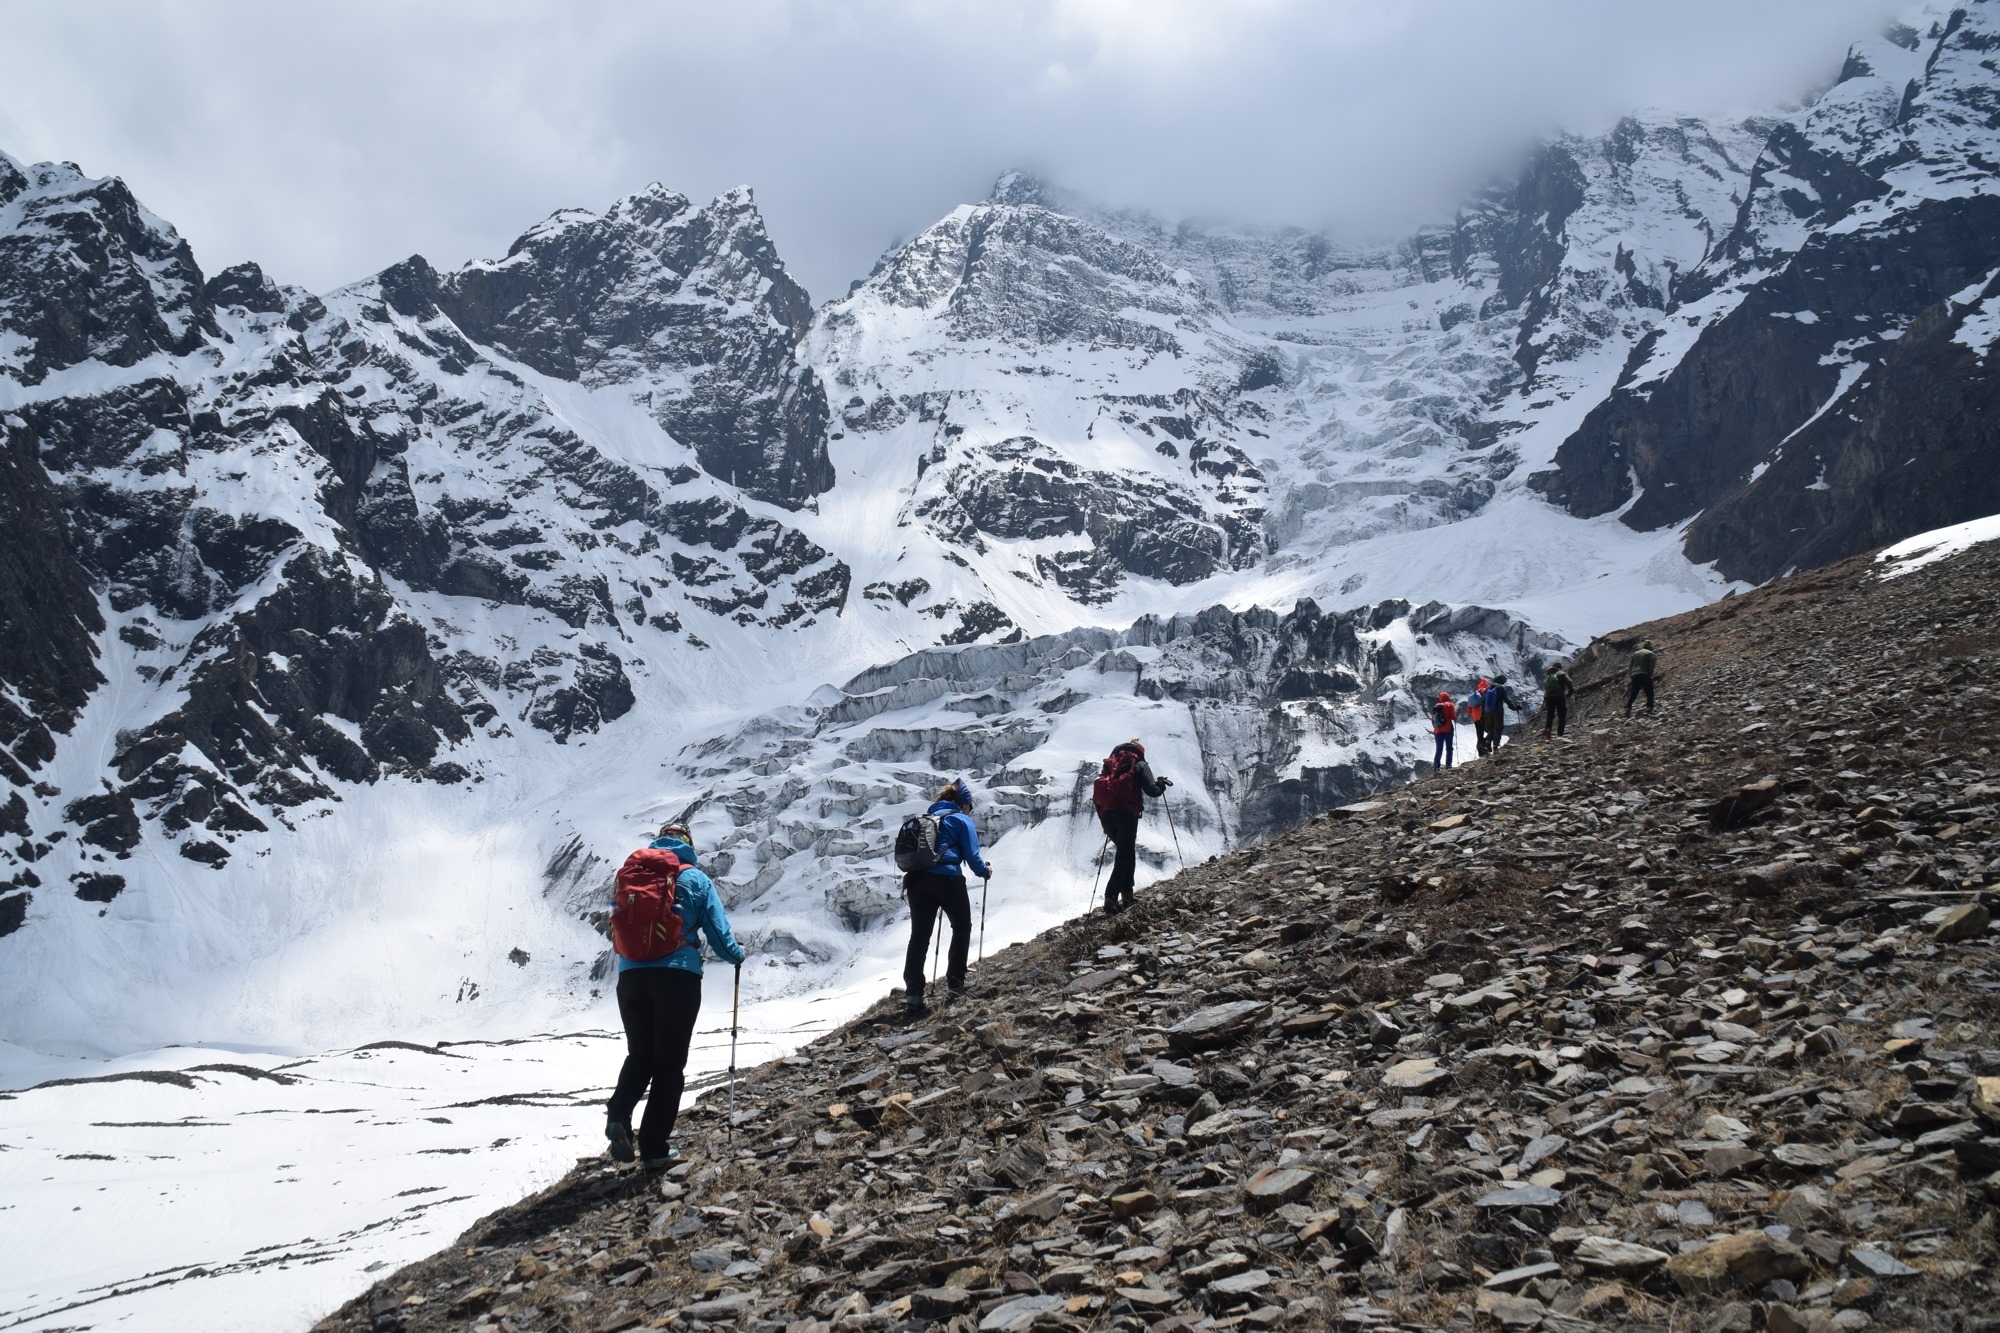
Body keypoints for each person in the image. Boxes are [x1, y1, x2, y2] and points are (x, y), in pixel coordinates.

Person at [606, 822, 745, 1170]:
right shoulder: (695, 879)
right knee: (669, 1064)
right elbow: (717, 931)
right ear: (688, 845)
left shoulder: (633, 874)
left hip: (631, 976)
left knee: (639, 1055)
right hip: (677, 977)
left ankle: (619, 1117)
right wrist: (736, 955)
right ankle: (654, 1148)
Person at [902, 778, 989, 1017]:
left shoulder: (925, 819)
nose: (970, 811)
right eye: (970, 807)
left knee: (919, 937)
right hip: (948, 879)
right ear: (964, 804)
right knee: (961, 927)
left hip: (917, 881)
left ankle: (913, 995)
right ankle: (955, 985)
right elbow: (972, 856)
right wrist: (985, 871)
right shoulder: (961, 820)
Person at [1092, 739, 1171, 916]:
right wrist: (1160, 785)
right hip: (1126, 815)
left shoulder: (1109, 765)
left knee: (1127, 853)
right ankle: (1110, 898)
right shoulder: (1140, 764)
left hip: (1107, 816)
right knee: (1124, 856)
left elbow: (1100, 791)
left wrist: (1104, 817)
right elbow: (1152, 791)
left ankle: (1127, 896)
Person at [1541, 662, 1575, 738]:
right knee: (1562, 714)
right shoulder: (1562, 673)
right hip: (1559, 696)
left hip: (1548, 697)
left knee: (1550, 715)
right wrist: (1571, 690)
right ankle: (1560, 733)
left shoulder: (1548, 674)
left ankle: (1548, 729)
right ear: (1560, 667)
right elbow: (1569, 681)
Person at [1625, 640, 1658, 716]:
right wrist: (1650, 674)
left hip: (1634, 674)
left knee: (1634, 693)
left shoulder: (1635, 653)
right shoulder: (1651, 653)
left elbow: (1631, 665)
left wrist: (1631, 674)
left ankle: (1628, 708)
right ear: (1650, 646)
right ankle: (1649, 708)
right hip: (1644, 674)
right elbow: (1651, 666)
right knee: (1649, 692)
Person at [1429, 689, 1457, 769]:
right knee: (1449, 748)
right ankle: (1448, 765)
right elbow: (1453, 717)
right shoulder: (1449, 705)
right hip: (1448, 729)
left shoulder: (1436, 706)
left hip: (1437, 730)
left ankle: (1436, 766)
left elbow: (1432, 720)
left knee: (1439, 748)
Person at [1468, 679, 1490, 756]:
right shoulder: (1485, 691)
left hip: (1475, 717)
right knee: (1491, 731)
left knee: (1479, 734)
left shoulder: (1475, 693)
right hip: (1482, 715)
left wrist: (1474, 715)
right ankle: (1483, 745)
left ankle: (1481, 753)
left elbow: (1469, 708)